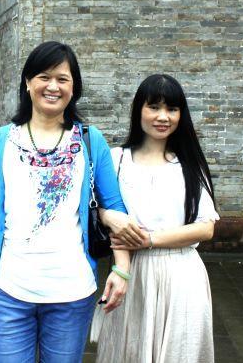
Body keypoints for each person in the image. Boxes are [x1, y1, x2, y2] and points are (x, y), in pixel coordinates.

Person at [0, 41, 136, 362]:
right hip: (9, 291)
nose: (53, 86)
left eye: (63, 79)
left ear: (74, 88)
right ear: (28, 82)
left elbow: (115, 207)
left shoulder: (90, 140)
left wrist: (122, 269)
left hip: (72, 292)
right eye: (44, 77)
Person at [94, 74, 219, 363]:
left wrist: (149, 239)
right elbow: (96, 205)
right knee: (128, 352)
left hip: (181, 274)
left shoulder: (189, 164)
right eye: (154, 107)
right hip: (131, 273)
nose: (163, 117)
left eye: (172, 109)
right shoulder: (116, 159)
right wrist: (107, 215)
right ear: (138, 110)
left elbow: (206, 228)